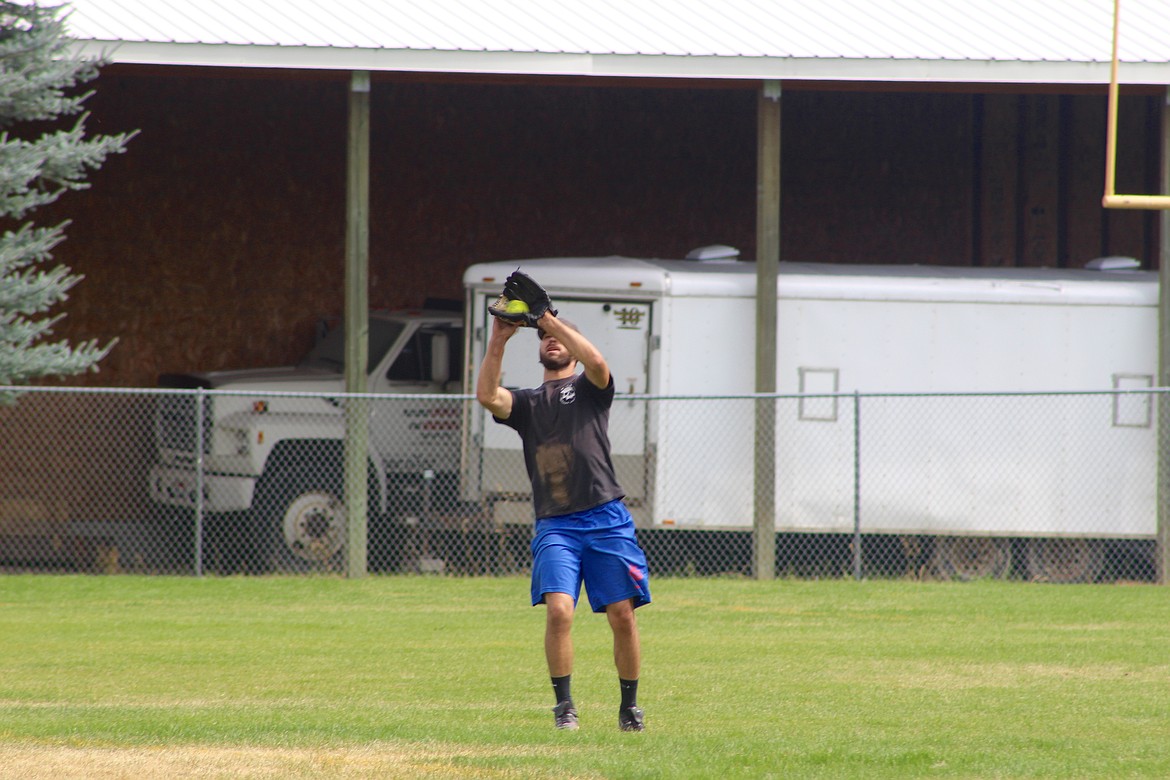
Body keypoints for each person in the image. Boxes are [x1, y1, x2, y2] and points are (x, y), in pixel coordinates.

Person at [475, 309, 651, 732]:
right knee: (559, 612)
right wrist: (499, 338)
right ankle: (564, 708)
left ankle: (629, 708)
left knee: (622, 615)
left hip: (606, 518)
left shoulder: (589, 389)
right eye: (544, 337)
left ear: (570, 343)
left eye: (560, 336)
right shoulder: (529, 403)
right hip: (557, 524)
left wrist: (550, 322)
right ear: (538, 350)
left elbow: (598, 364)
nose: (551, 341)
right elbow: (487, 396)